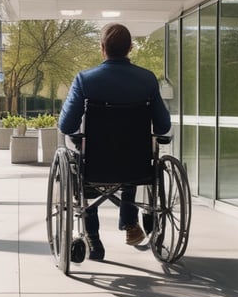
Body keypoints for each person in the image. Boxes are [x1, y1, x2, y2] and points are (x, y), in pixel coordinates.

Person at [58, 23, 171, 261]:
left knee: (85, 153)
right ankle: (130, 223)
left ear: (102, 48)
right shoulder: (147, 80)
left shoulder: (84, 79)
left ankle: (93, 238)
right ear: (130, 48)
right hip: (137, 164)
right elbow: (163, 127)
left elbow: (66, 126)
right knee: (129, 156)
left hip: (97, 162)